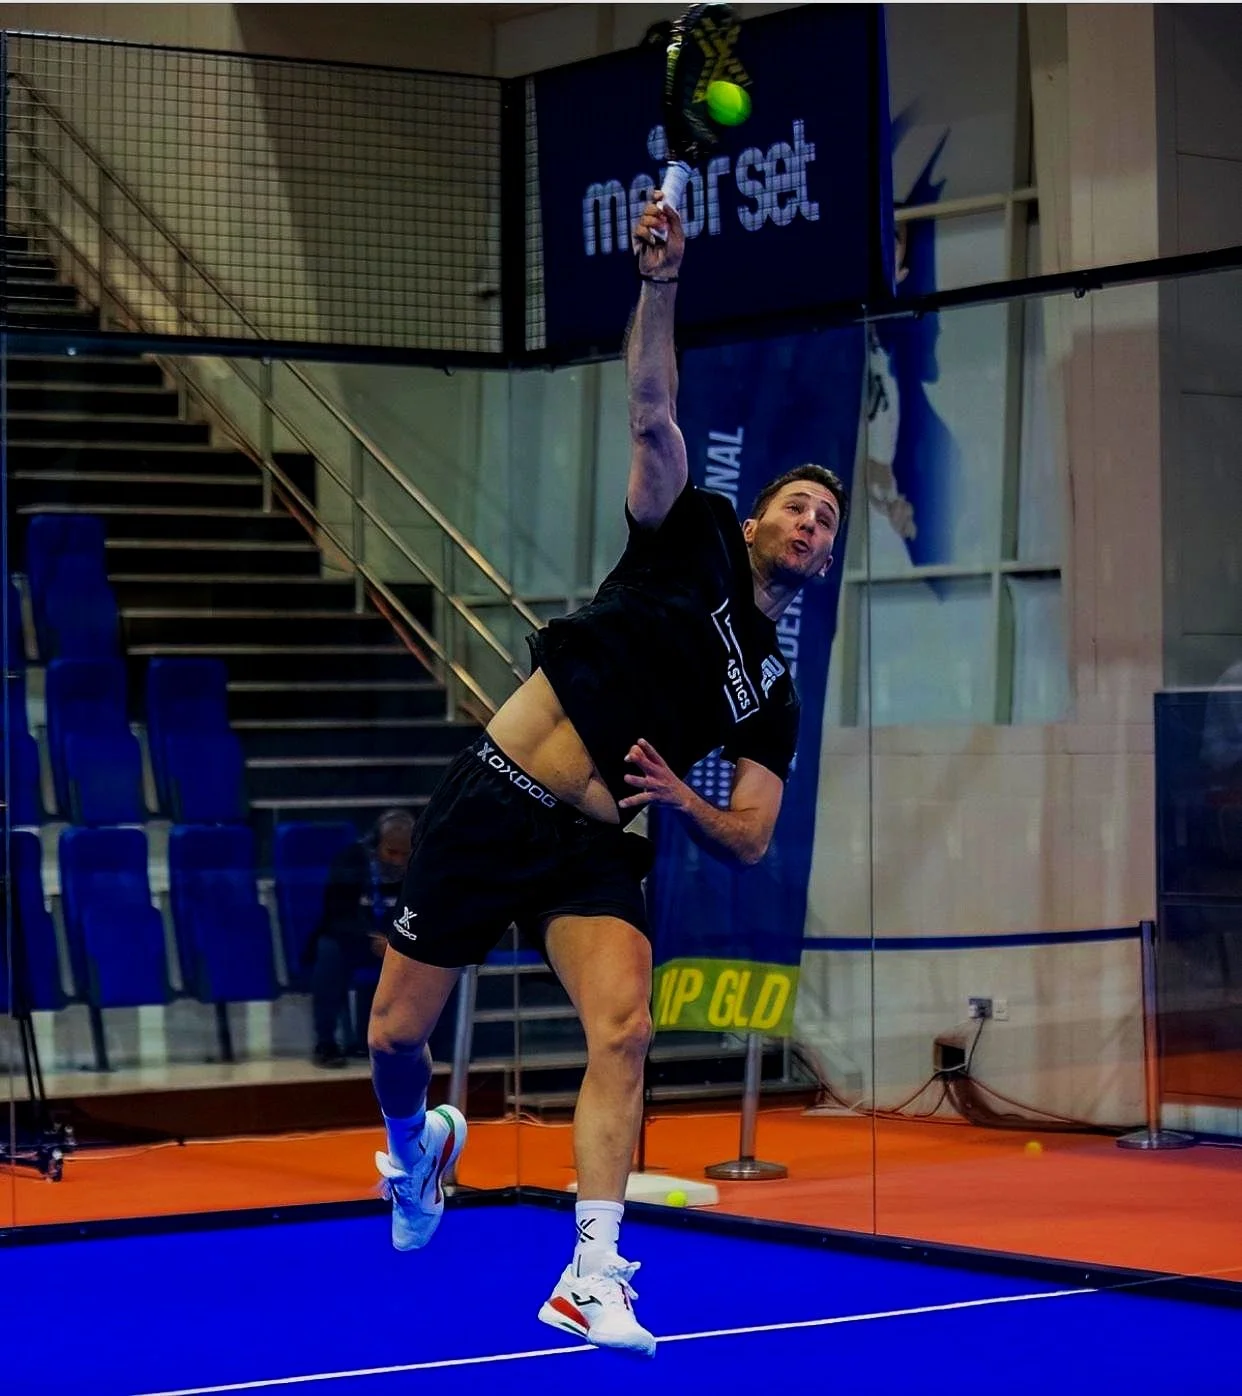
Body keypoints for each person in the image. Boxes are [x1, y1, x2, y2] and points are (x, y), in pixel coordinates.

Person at [366, 191, 846, 1358]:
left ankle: (591, 1270)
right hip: (496, 794)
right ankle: (418, 1149)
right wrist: (661, 283)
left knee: (624, 1029)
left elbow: (754, 836)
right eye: (797, 505)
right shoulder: (692, 530)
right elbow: (650, 407)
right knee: (392, 1034)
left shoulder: (773, 695)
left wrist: (685, 800)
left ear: (828, 559)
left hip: (596, 843)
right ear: (756, 521)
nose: (811, 524)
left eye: (829, 522)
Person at [308, 809, 415, 1067]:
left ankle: (418, 1041)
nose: (398, 861)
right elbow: (336, 914)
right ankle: (326, 1042)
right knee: (329, 951)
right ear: (376, 844)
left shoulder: (422, 866)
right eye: (391, 852)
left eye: (405, 854)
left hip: (402, 942)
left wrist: (397, 940)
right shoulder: (351, 860)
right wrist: (370, 937)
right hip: (355, 939)